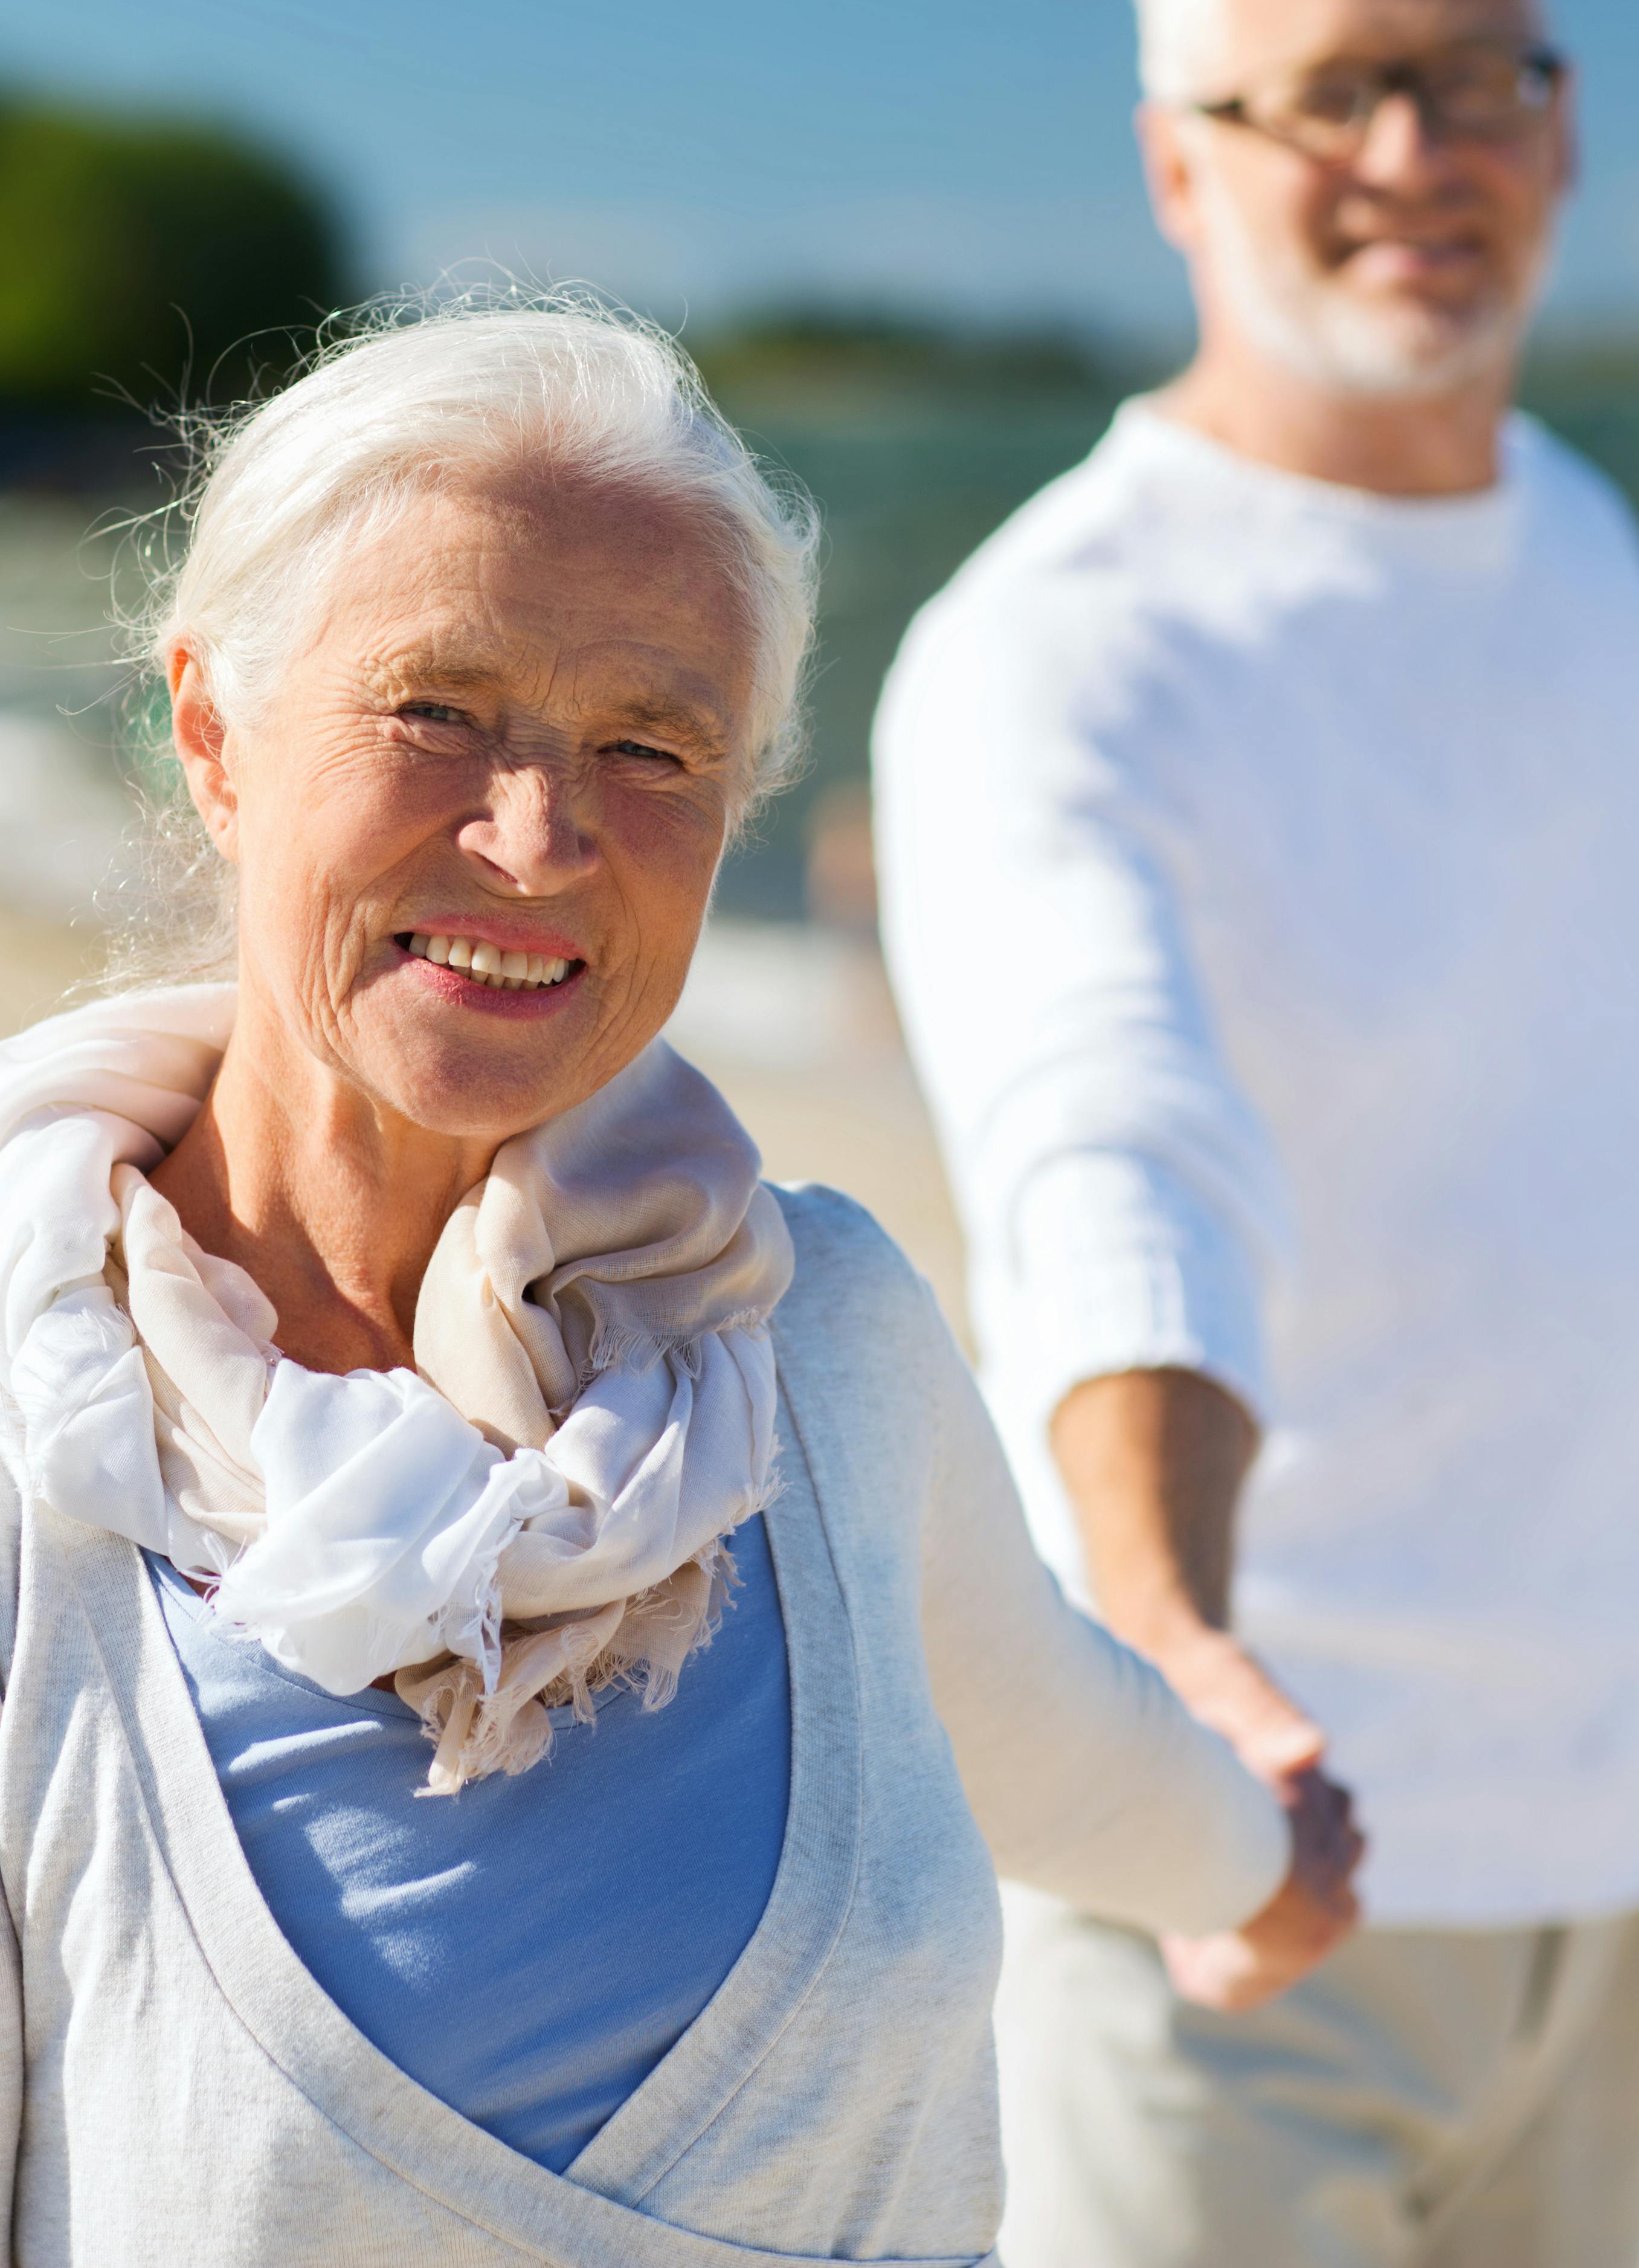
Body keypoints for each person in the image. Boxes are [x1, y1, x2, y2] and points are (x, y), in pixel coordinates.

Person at [0, 297, 1359, 2267]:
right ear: (215, 736)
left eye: (651, 747)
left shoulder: (818, 1343)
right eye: (437, 710)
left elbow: (1047, 1730)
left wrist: (1267, 1857)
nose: (539, 842)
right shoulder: (41, 1458)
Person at [873, 0, 1639, 2262]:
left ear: (1568, 136)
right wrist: (1179, 1647)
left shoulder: (1602, 577)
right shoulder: (1059, 647)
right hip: (1218, 1873)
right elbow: (1111, 1158)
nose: (1416, 146)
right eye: (1327, 90)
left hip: (1610, 1858)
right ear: (1178, 167)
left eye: (1480, 74)